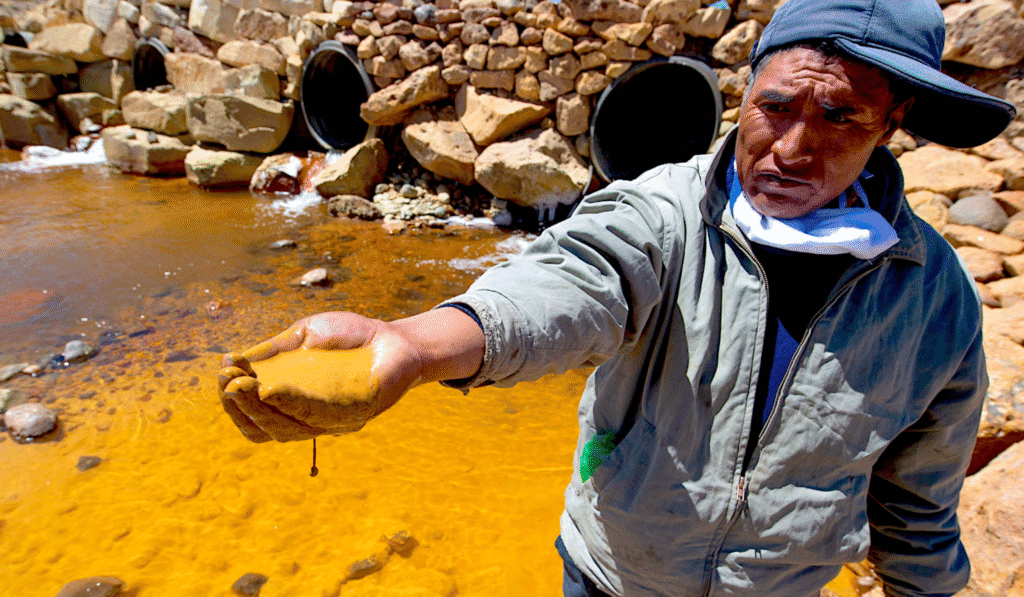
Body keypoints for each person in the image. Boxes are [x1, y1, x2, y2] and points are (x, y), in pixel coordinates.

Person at [217, 0, 1018, 594]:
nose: (792, 147)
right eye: (774, 106)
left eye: (840, 115)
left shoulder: (935, 300)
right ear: (746, 89)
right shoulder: (665, 213)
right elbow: (566, 281)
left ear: (895, 119)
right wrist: (420, 344)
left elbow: (917, 512)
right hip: (610, 580)